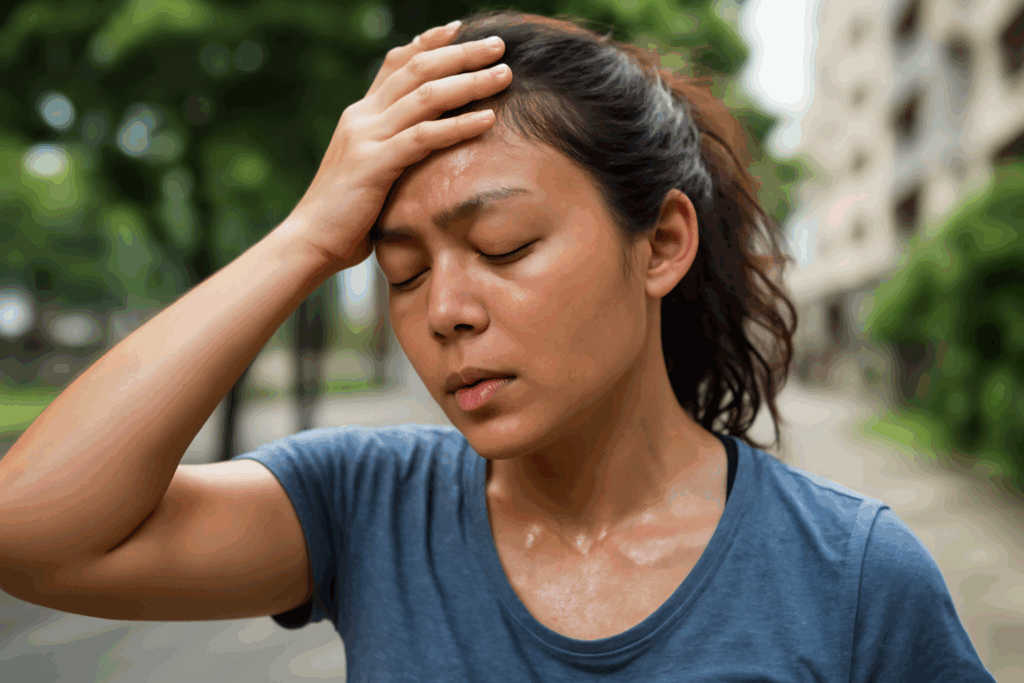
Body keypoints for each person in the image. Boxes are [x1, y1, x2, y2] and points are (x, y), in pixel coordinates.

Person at [0, 9, 996, 682]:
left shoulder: (853, 574)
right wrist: (305, 236)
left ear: (660, 244)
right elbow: (34, 531)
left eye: (502, 245)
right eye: (400, 270)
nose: (446, 309)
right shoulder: (366, 509)